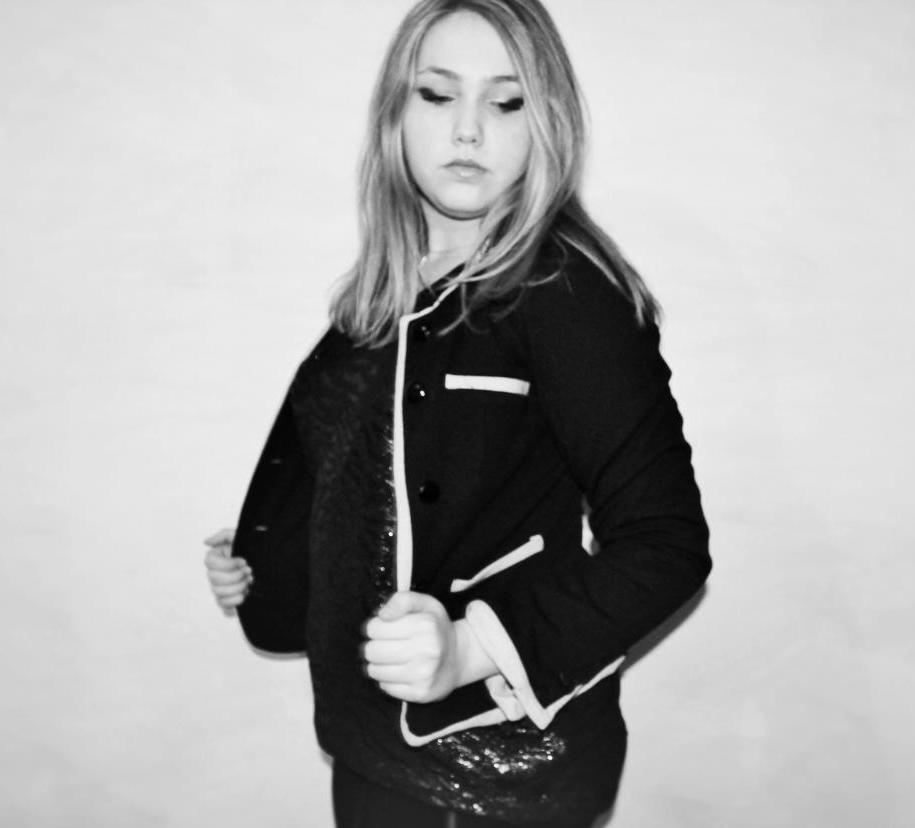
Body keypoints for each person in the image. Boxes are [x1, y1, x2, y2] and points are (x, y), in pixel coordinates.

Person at [204, 1, 711, 825]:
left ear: (546, 123)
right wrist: (272, 553)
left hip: (506, 773)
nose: (468, 129)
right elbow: (372, 483)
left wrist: (470, 648)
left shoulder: (567, 292)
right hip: (367, 747)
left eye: (506, 102)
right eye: (438, 95)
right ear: (394, 116)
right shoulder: (375, 305)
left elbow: (666, 546)